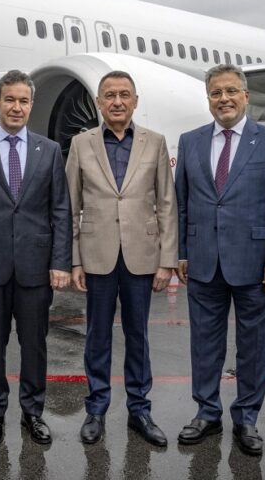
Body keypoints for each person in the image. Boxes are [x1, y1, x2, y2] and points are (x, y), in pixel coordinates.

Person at [174, 63, 265, 456]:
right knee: (204, 344)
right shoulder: (190, 142)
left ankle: (246, 417)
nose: (223, 99)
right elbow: (182, 204)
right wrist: (181, 252)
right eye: (216, 93)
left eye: (231, 91)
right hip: (203, 262)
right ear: (208, 99)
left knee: (254, 346)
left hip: (256, 264)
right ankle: (207, 412)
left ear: (246, 96)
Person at [0, 69, 72, 447]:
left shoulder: (48, 150)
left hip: (36, 267)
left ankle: (33, 412)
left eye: (23, 101)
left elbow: (61, 211)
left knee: (34, 344)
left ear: (31, 105)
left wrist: (60, 261)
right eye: (9, 100)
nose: (16, 107)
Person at [65, 70, 178, 446]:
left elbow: (167, 203)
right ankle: (96, 408)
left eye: (124, 95)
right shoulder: (81, 144)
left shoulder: (154, 142)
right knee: (96, 336)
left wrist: (167, 260)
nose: (117, 101)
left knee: (138, 335)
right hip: (96, 256)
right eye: (110, 95)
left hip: (141, 257)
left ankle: (139, 409)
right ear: (99, 102)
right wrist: (75, 260)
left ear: (135, 102)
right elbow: (70, 206)